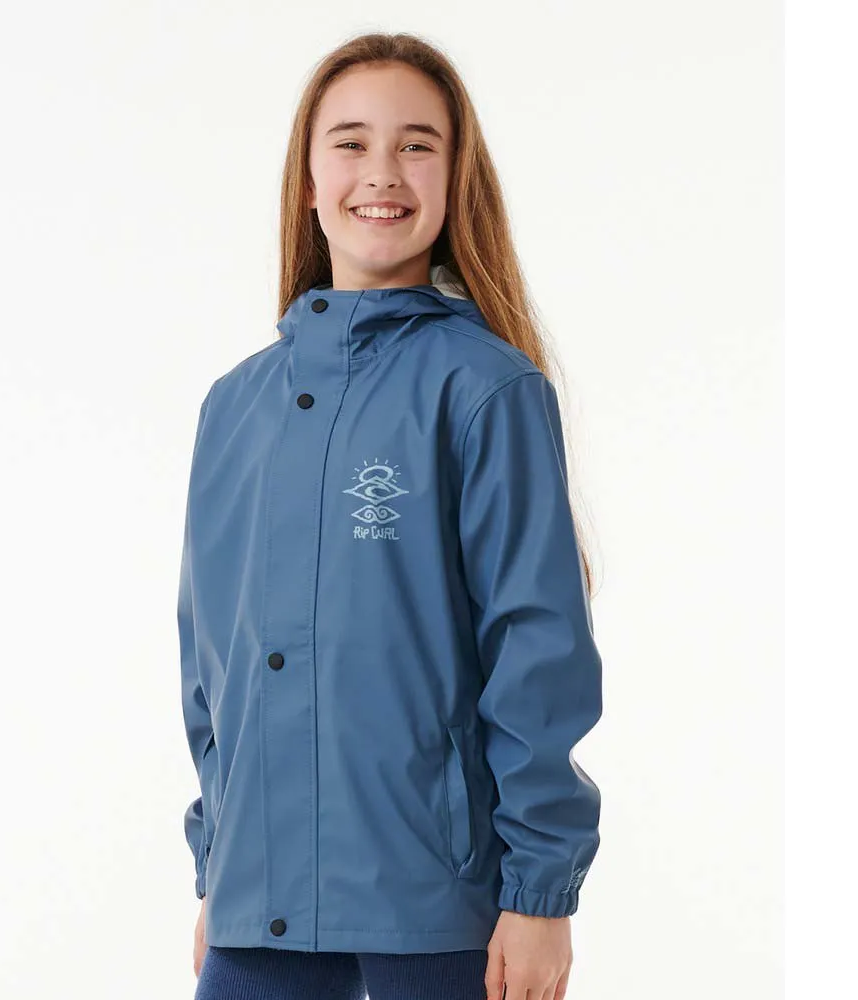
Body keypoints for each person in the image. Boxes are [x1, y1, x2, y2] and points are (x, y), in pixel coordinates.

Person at [177, 30, 604, 1000]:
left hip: (437, 901)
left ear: (456, 180)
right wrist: (220, 861)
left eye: (417, 144)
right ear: (307, 181)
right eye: (351, 142)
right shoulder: (235, 407)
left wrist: (540, 894)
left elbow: (535, 646)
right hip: (258, 897)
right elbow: (210, 657)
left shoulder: (485, 389)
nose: (382, 171)